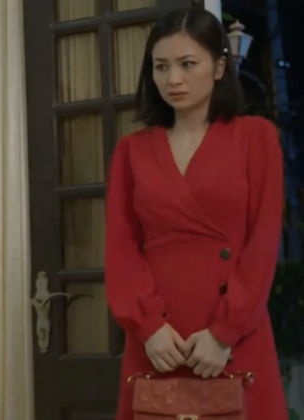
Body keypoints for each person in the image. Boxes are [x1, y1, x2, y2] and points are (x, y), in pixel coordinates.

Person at [104, 8, 287, 420]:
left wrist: (224, 333)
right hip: (159, 343)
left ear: (219, 67)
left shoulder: (256, 137)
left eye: (187, 64)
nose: (173, 79)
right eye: (161, 66)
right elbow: (121, 248)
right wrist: (148, 327)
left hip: (234, 337)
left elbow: (262, 243)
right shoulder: (131, 151)